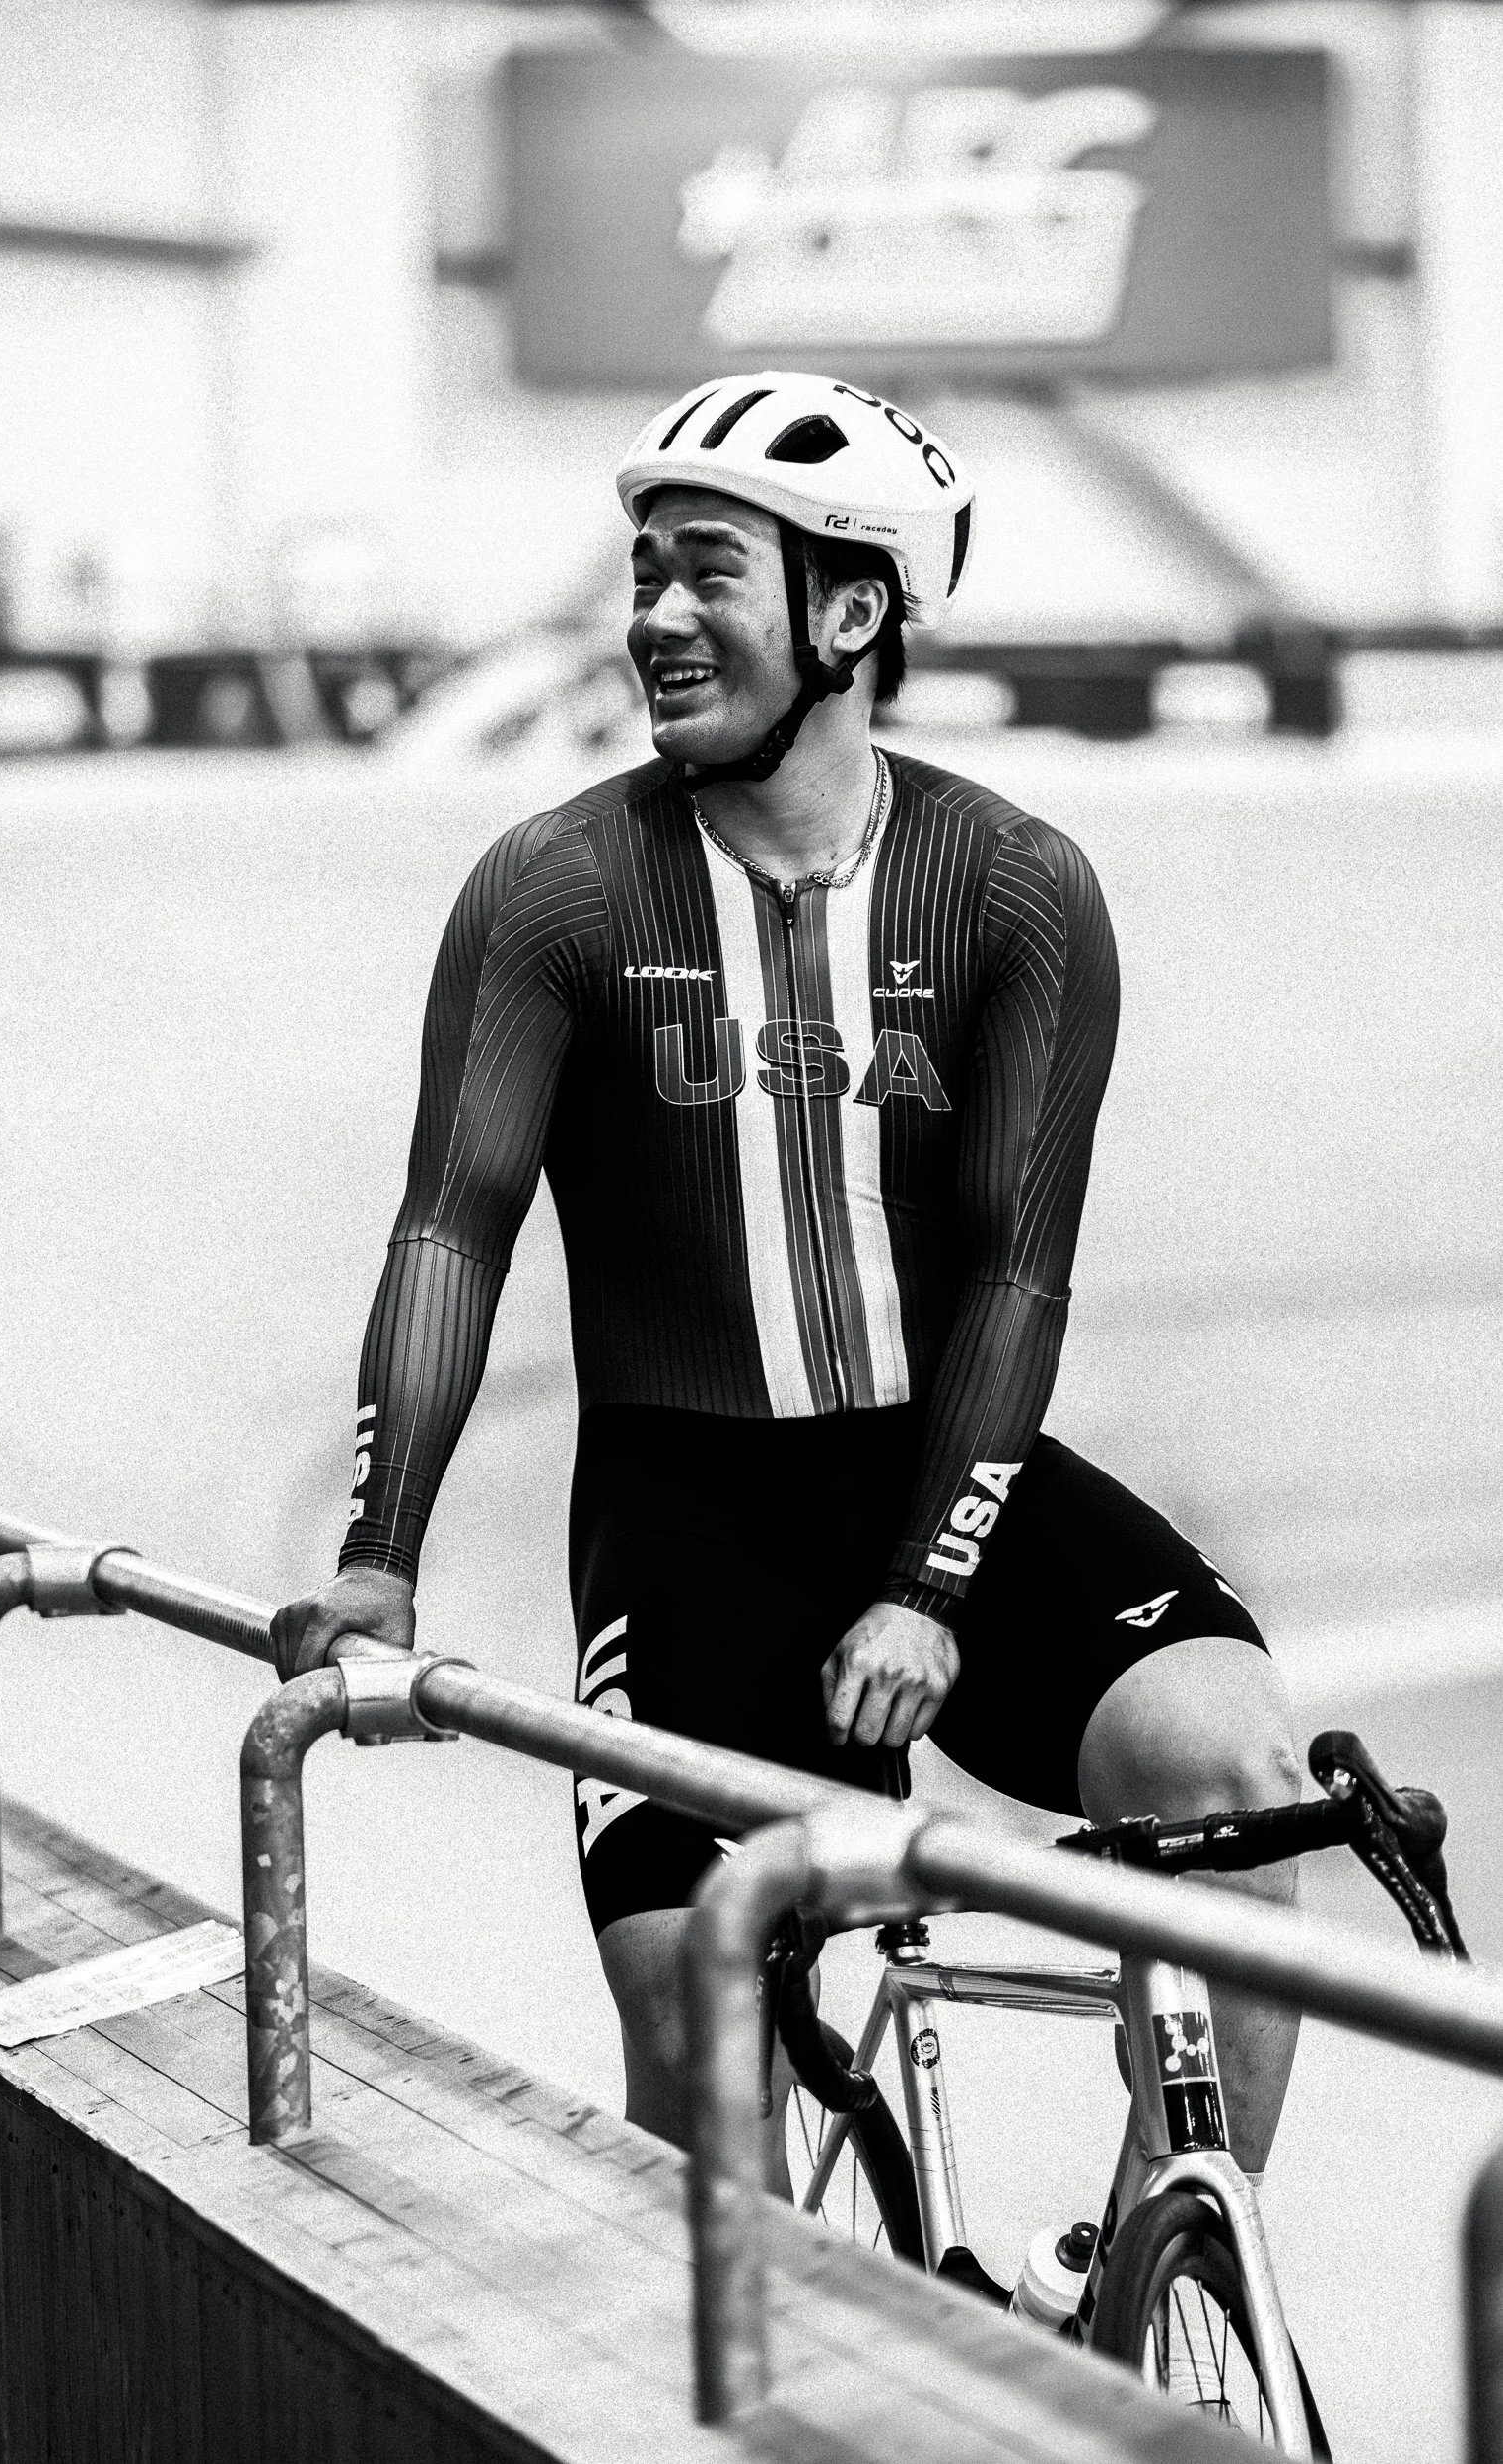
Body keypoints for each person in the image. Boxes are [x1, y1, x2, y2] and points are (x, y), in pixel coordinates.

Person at [271, 371, 1302, 2192]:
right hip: (691, 1513)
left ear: (849, 611)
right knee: (699, 2025)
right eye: (643, 571)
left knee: (1233, 1773)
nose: (655, 616)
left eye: (705, 573)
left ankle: (1162, 2306)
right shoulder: (556, 890)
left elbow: (1012, 1270)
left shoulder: (1013, 886)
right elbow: (450, 1225)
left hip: (942, 1470)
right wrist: (380, 1551)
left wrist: (928, 1584)